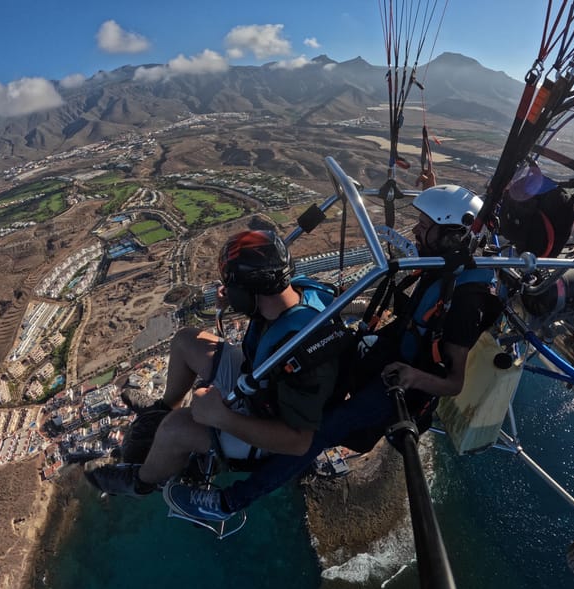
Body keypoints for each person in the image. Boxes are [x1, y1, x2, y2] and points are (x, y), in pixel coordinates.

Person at [160, 184, 501, 522]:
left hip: (399, 385)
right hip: (386, 355)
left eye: (426, 227)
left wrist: (413, 377)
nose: (416, 230)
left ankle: (228, 503)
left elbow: (454, 382)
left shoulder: (466, 303)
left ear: (454, 236)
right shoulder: (444, 267)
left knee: (318, 434)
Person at [85, 229, 342, 510]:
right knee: (185, 341)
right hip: (262, 382)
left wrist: (222, 418)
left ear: (251, 290)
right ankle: (161, 410)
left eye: (232, 287)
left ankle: (140, 481)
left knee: (175, 429)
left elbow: (299, 443)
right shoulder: (298, 291)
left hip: (273, 430)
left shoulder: (301, 351)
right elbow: (270, 313)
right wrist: (236, 301)